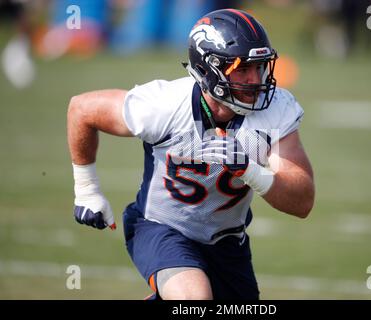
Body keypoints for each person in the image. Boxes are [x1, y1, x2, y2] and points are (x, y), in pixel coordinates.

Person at [67, 8, 315, 300]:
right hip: (161, 227)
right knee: (194, 300)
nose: (254, 80)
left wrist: (250, 170)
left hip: (227, 242)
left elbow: (302, 201)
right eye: (242, 69)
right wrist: (87, 189)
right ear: (209, 69)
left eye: (258, 67)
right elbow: (82, 109)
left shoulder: (275, 109)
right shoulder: (166, 104)